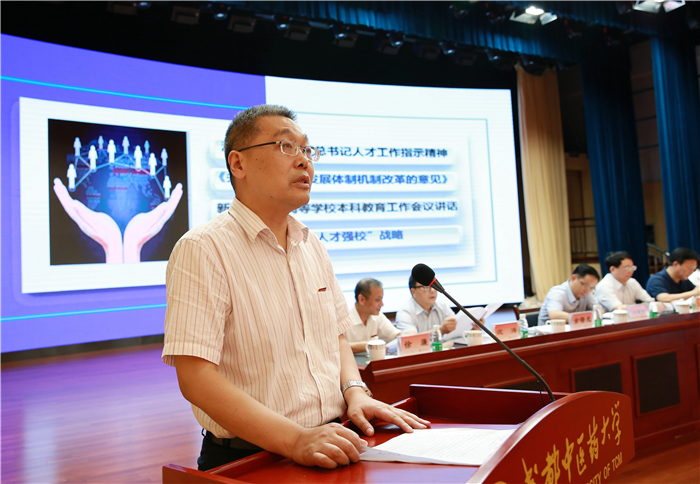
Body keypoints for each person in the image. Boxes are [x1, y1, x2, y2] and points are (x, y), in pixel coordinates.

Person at [162, 105, 428, 472]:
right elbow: (196, 379)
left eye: (307, 149)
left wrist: (355, 391)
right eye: (286, 146)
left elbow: (335, 338)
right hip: (251, 458)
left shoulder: (311, 244)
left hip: (334, 442)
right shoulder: (203, 249)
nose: (304, 161)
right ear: (238, 164)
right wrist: (295, 439)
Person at [344, 278, 401, 354]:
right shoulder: (343, 318)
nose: (382, 304)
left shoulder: (377, 316)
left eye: (382, 299)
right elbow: (336, 347)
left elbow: (397, 336)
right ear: (362, 299)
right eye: (377, 300)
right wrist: (366, 346)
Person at [595, 251, 664, 312]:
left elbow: (648, 300)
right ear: (612, 269)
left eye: (632, 267)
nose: (631, 271)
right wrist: (645, 307)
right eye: (627, 268)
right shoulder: (604, 285)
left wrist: (654, 304)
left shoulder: (632, 282)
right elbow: (618, 308)